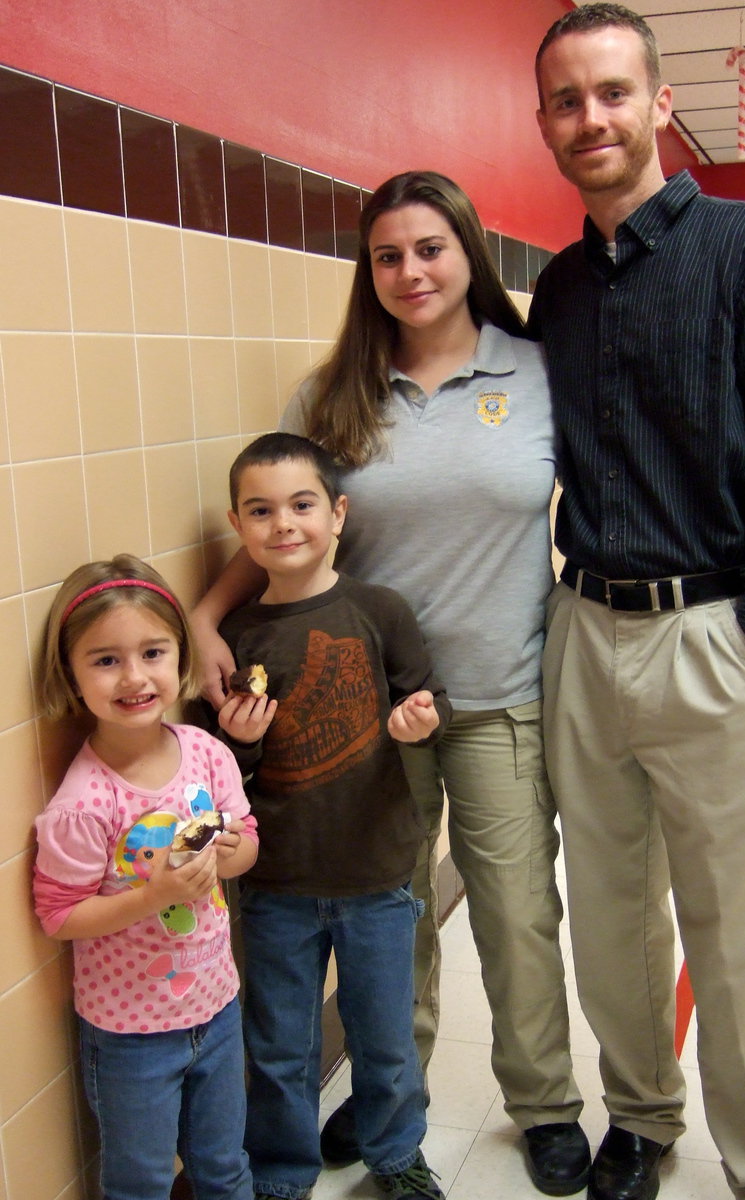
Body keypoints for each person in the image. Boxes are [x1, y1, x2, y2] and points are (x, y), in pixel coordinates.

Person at [190, 170, 590, 1197]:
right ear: (366, 273)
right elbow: (291, 521)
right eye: (387, 255)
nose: (410, 271)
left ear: (468, 254)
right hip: (360, 714)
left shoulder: (541, 372)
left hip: (499, 696)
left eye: (430, 248)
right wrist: (200, 614)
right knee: (389, 921)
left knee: (513, 913)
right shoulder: (333, 396)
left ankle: (543, 1104)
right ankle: (380, 1103)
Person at [529, 6, 745, 1200]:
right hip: (584, 632)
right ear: (546, 123)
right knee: (610, 914)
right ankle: (644, 1119)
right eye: (567, 100)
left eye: (613, 92)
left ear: (660, 105)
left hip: (712, 633)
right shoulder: (557, 290)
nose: (591, 117)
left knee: (737, 927)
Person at [216, 432, 451, 1200]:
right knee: (280, 1045)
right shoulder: (239, 636)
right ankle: (283, 1174)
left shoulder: (380, 610)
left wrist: (421, 718)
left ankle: (396, 1156)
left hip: (377, 873)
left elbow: (428, 697)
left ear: (338, 513)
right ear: (238, 526)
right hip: (278, 883)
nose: (284, 524)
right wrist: (240, 745)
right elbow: (220, 777)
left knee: (384, 1040)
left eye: (302, 504)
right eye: (262, 510)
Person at [33, 554, 259, 1200]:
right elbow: (58, 915)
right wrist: (153, 896)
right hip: (129, 1034)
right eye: (106, 660)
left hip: (216, 1006)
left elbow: (246, 848)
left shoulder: (207, 755)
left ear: (180, 657)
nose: (134, 677)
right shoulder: (84, 804)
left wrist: (232, 851)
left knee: (225, 1168)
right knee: (141, 1183)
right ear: (71, 676)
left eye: (153, 652)